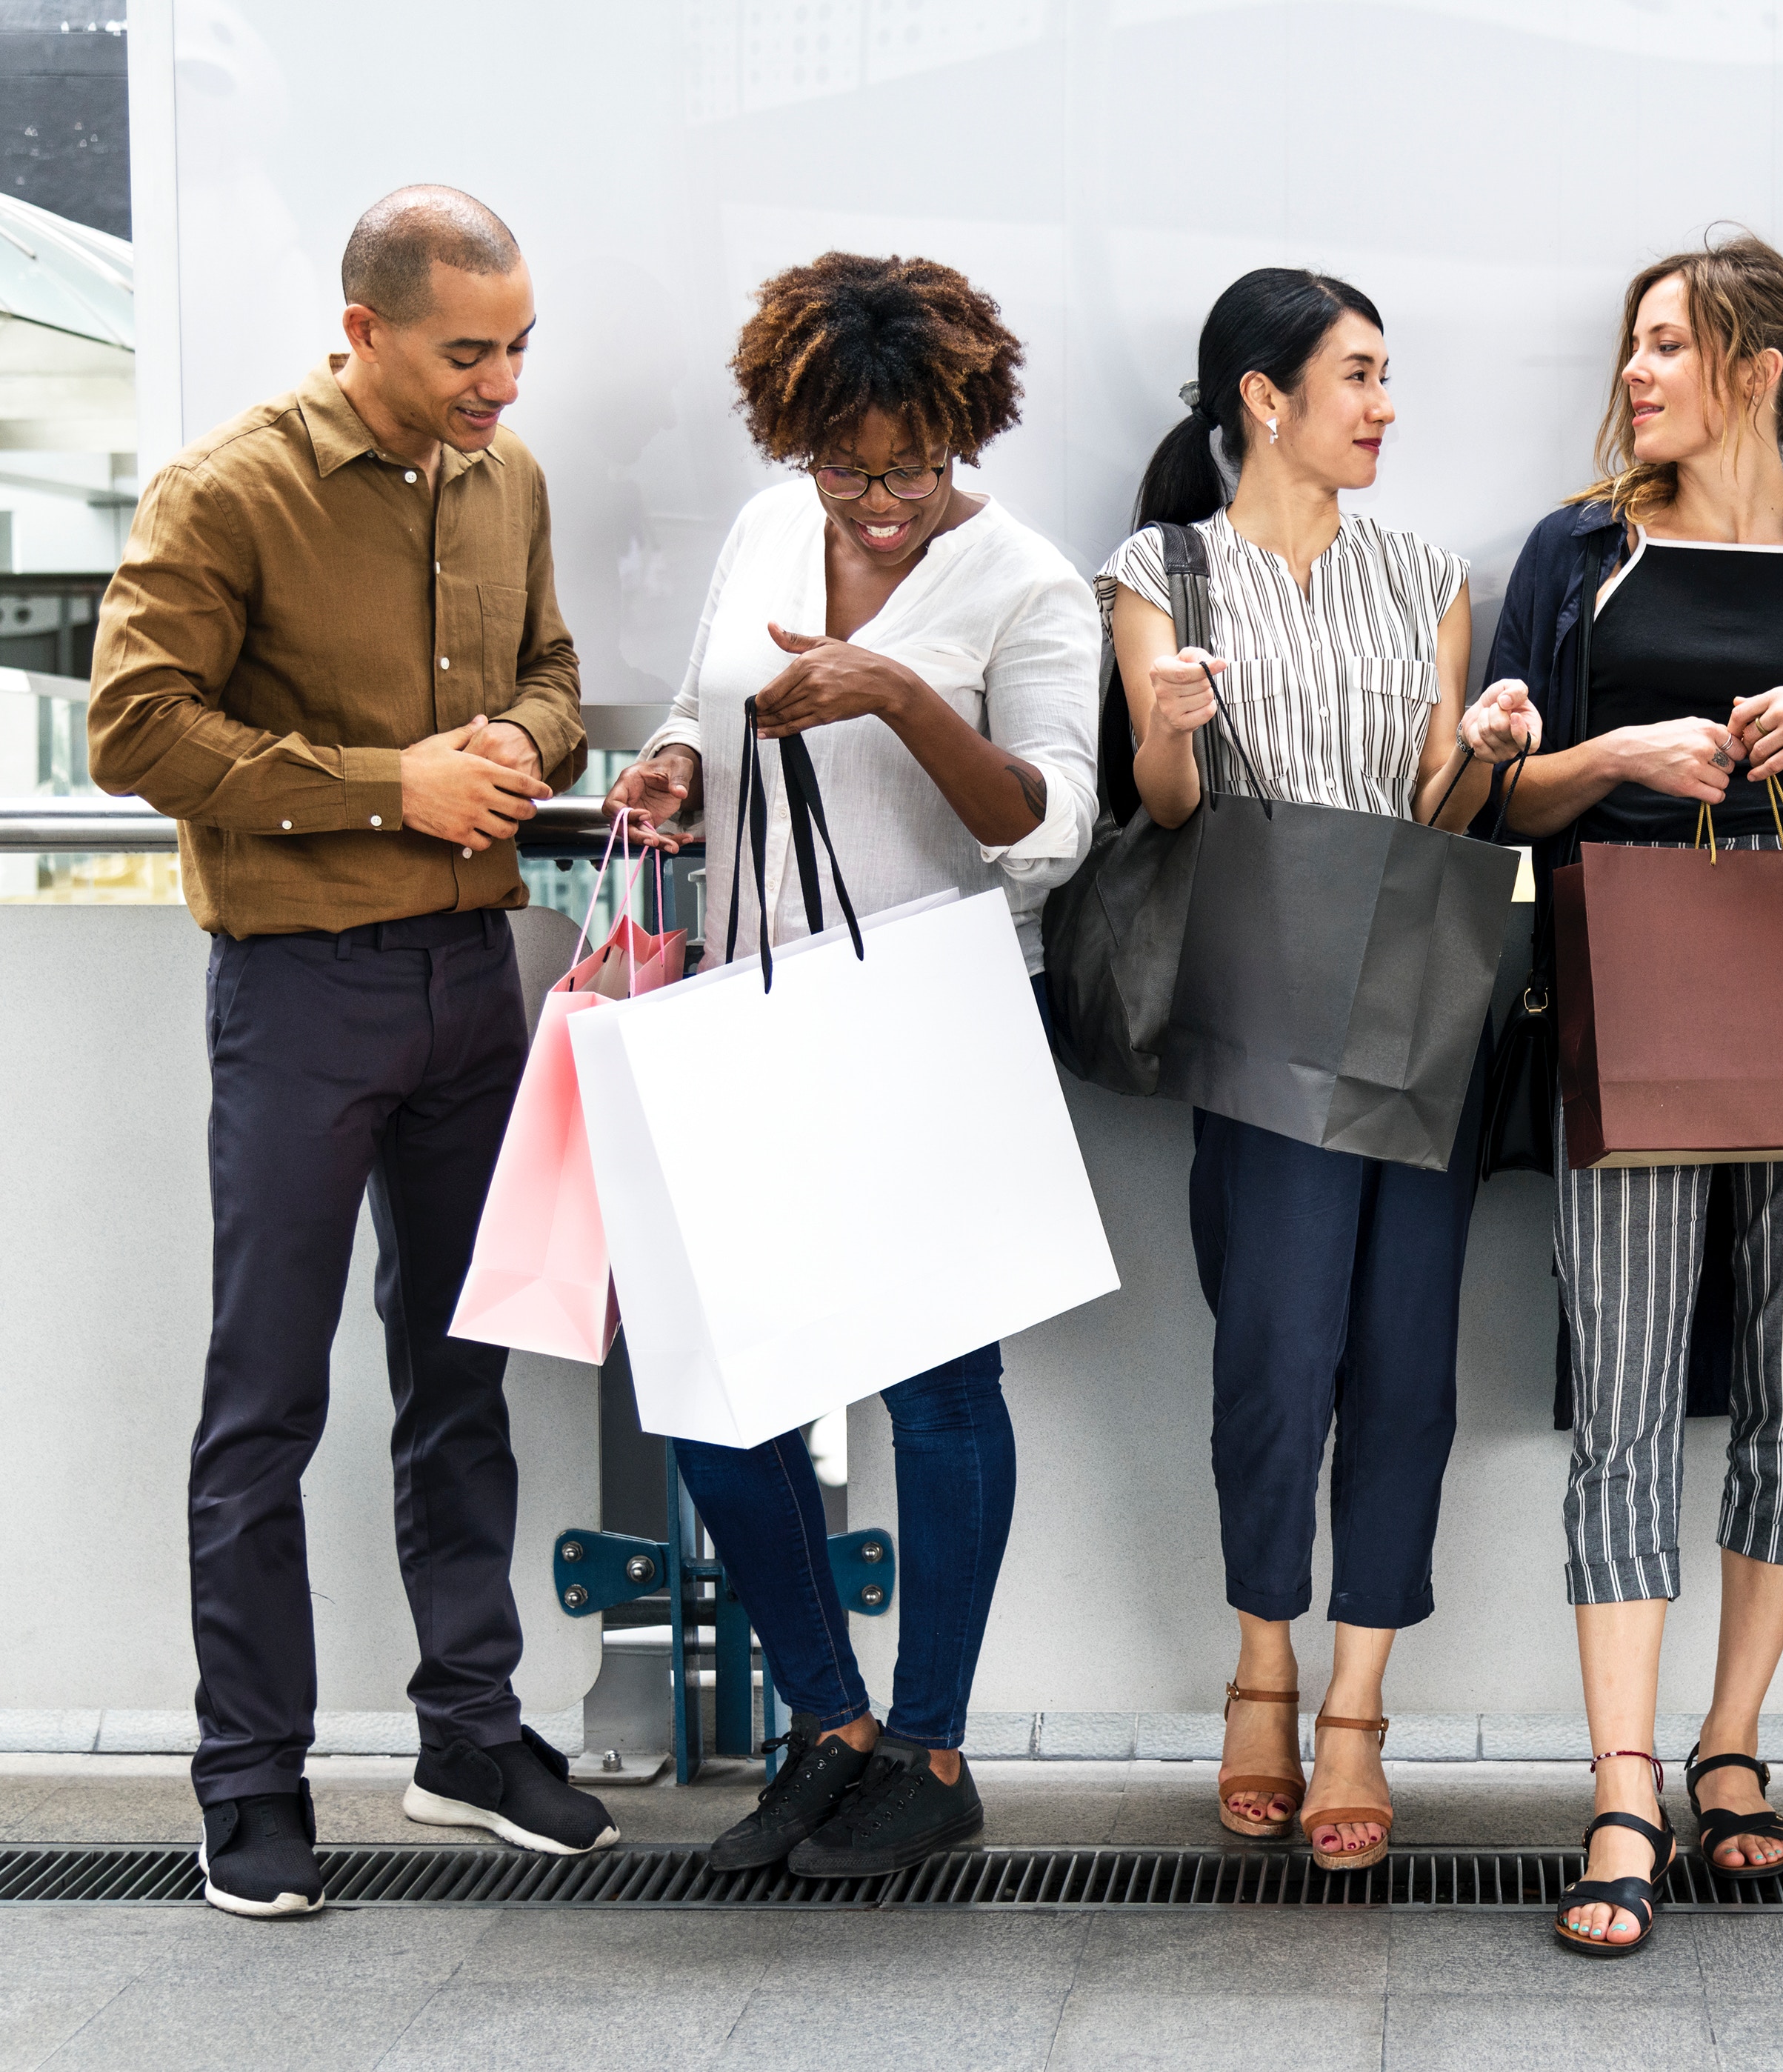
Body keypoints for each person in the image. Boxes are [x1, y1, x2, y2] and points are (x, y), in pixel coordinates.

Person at [88, 186, 614, 1919]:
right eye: (472, 352)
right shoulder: (228, 488)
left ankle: (468, 1730)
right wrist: (397, 778)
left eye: (520, 345)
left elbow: (551, 671)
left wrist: (518, 745)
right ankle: (246, 1780)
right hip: (300, 992)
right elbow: (135, 727)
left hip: (475, 980)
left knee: (462, 1374)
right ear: (364, 328)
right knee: (268, 1397)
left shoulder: (506, 481)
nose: (505, 384)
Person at [1482, 236, 1783, 1954]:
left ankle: (1729, 1743)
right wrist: (1613, 757)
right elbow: (1501, 803)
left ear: (1758, 367)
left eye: (1669, 344)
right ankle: (1619, 1775)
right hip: (1629, 1008)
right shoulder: (1573, 556)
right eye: (1632, 345)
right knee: (1616, 1391)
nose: (1636, 373)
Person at [604, 253, 1099, 1879]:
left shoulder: (1026, 581)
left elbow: (1051, 819)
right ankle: (833, 1728)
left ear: (964, 429)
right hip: (756, 1014)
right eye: (844, 466)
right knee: (718, 1398)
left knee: (939, 1395)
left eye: (908, 467)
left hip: (928, 1029)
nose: (877, 500)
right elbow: (700, 696)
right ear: (794, 438)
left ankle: (932, 1748)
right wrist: (679, 759)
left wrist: (891, 688)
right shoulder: (768, 524)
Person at [1102, 267, 1532, 1873]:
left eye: (1386, 375)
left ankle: (1358, 1699)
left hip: (1413, 987)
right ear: (1260, 397)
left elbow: (1438, 814)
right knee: (1272, 1351)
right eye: (1355, 376)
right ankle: (1261, 1669)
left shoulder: (1423, 568)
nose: (1382, 405)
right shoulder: (1161, 569)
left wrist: (1483, 744)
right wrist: (1164, 720)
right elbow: (1163, 808)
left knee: (1404, 1356)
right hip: (1257, 991)